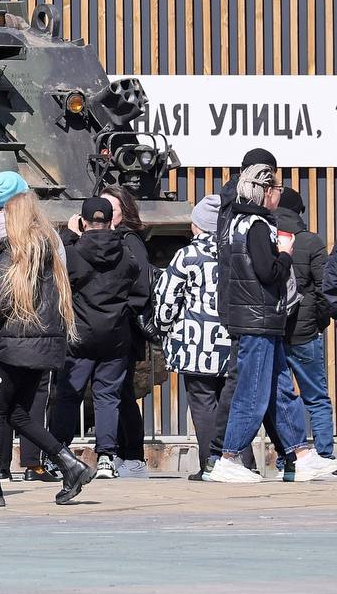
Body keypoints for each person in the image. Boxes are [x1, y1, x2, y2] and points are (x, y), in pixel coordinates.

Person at [0, 191, 93, 507]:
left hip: (15, 346)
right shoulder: (47, 248)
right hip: (43, 346)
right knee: (19, 413)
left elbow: (1, 302)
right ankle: (70, 464)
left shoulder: (14, 249)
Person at [207, 164, 331, 482]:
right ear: (264, 191)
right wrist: (286, 253)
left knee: (281, 389)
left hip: (260, 318)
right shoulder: (257, 225)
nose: (278, 195)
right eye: (275, 189)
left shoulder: (236, 221)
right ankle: (229, 457)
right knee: (253, 392)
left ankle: (299, 455)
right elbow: (268, 272)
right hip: (257, 319)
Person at [153, 195, 251, 479]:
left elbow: (167, 298)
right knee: (231, 404)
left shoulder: (188, 255)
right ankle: (242, 462)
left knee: (203, 404)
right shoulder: (238, 253)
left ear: (198, 226)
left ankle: (211, 464)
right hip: (234, 341)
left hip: (196, 345)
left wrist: (162, 325)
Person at [50, 198, 148, 479]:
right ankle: (106, 457)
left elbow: (58, 288)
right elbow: (140, 291)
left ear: (83, 222)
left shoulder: (72, 254)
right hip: (116, 336)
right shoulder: (127, 253)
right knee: (108, 397)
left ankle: (61, 455)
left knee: (68, 396)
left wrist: (70, 235)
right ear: (110, 222)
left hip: (78, 334)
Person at [0, 170, 63, 483]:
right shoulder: (48, 237)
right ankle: (38, 462)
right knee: (27, 407)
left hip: (4, 336)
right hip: (39, 334)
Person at [98, 184, 154, 478]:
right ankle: (121, 451)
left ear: (124, 210)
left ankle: (133, 454)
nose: (106, 213)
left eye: (112, 207)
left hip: (124, 327)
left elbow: (140, 285)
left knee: (122, 392)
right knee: (113, 392)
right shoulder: (105, 239)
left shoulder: (129, 240)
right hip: (110, 326)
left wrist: (122, 310)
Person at [275, 188, 334, 463]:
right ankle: (323, 454)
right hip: (306, 332)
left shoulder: (266, 237)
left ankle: (287, 456)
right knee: (317, 398)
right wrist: (319, 322)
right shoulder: (311, 241)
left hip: (274, 332)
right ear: (299, 212)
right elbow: (325, 288)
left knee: (280, 397)